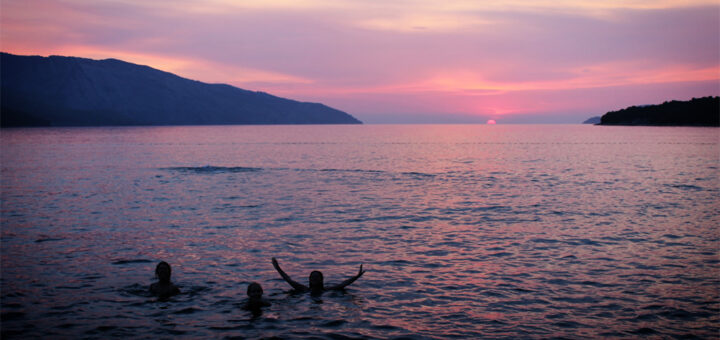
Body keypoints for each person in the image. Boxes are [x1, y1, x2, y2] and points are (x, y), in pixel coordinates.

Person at [271, 257, 365, 294]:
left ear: (321, 280)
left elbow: (343, 284)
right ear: (309, 280)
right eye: (312, 277)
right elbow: (288, 280)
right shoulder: (304, 289)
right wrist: (277, 268)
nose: (314, 279)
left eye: (316, 277)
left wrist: (357, 276)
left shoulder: (327, 290)